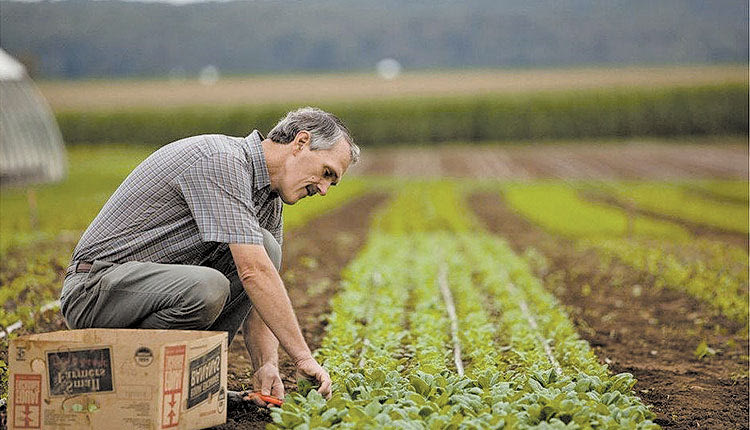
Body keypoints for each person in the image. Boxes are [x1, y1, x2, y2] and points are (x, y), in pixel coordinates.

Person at [59, 107, 359, 406]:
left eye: (332, 183)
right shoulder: (221, 161)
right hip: (96, 290)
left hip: (150, 295)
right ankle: (134, 377)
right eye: (326, 173)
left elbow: (259, 287)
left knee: (265, 247)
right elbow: (254, 272)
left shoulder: (268, 198)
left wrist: (266, 365)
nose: (323, 189)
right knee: (209, 287)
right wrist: (303, 357)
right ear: (301, 142)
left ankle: (186, 383)